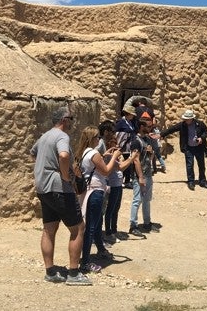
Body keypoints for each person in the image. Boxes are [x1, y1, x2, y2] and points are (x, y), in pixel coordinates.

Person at [30, 106, 91, 286]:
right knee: (78, 228)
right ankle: (73, 273)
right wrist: (65, 176)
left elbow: (33, 153)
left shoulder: (44, 136)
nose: (72, 122)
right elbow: (64, 155)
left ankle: (50, 271)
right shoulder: (62, 136)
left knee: (49, 228)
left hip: (43, 188)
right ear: (64, 120)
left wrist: (44, 167)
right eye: (71, 118)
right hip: (59, 189)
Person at [75, 126, 123, 273]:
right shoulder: (94, 153)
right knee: (91, 227)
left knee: (90, 226)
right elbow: (107, 171)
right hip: (95, 192)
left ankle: (86, 258)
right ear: (92, 139)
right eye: (97, 137)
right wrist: (114, 157)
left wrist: (104, 155)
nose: (99, 139)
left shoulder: (85, 152)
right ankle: (86, 262)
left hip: (88, 191)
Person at [97, 120, 137, 244]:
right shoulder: (101, 146)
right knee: (107, 210)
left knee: (115, 208)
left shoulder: (106, 148)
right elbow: (117, 167)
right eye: (112, 132)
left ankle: (112, 231)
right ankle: (106, 233)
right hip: (110, 183)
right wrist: (131, 158)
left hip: (115, 183)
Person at [161, 109, 207, 191]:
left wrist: (202, 138)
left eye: (188, 119)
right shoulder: (182, 125)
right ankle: (191, 182)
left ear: (192, 118)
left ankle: (202, 181)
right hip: (188, 148)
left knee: (201, 165)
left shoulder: (200, 124)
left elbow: (206, 132)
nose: (186, 120)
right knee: (189, 165)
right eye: (185, 119)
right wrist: (161, 135)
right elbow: (171, 129)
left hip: (199, 147)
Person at [129, 117, 160, 236]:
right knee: (137, 200)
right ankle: (133, 225)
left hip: (148, 173)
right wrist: (140, 177)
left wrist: (151, 153)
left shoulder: (147, 139)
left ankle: (147, 222)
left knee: (147, 199)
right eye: (148, 126)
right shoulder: (136, 141)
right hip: (140, 175)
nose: (150, 128)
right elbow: (136, 160)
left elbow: (149, 157)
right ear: (141, 127)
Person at [132, 97, 166, 173]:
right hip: (150, 132)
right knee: (151, 151)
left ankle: (140, 169)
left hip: (139, 132)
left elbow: (133, 120)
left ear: (140, 103)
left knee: (139, 151)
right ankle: (152, 168)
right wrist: (150, 129)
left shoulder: (136, 110)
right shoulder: (150, 110)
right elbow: (154, 122)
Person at [115, 105, 137, 189]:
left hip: (129, 146)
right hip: (122, 146)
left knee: (129, 163)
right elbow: (116, 132)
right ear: (128, 114)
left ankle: (125, 180)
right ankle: (126, 181)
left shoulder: (130, 122)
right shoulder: (121, 122)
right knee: (126, 163)